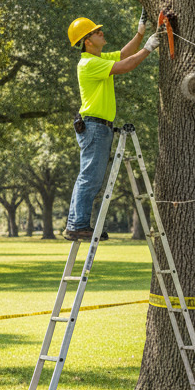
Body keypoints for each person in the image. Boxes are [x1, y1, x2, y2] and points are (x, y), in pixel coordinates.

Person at [63, 13, 159, 241]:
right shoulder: (88, 63)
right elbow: (126, 65)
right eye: (97, 32)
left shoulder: (99, 58)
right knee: (90, 178)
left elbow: (124, 54)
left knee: (90, 177)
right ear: (87, 41)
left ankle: (76, 224)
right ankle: (77, 225)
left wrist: (140, 33)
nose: (101, 32)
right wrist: (148, 48)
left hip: (99, 127)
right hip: (94, 127)